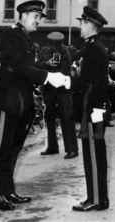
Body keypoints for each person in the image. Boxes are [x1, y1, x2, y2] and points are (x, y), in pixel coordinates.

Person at [0, 0, 68, 211]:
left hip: (22, 101)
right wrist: (47, 76)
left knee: (14, 148)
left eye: (40, 18)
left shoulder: (26, 39)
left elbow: (28, 68)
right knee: (2, 148)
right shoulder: (9, 35)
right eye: (36, 17)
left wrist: (49, 70)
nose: (38, 22)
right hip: (9, 101)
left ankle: (8, 190)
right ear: (23, 15)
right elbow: (18, 65)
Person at [70, 6, 109, 212]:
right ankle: (98, 197)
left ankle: (95, 198)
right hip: (95, 108)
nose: (80, 26)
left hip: (94, 108)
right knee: (95, 152)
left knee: (93, 153)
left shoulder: (94, 49)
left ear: (91, 25)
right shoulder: (93, 47)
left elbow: (91, 83)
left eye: (82, 23)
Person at [40, 31, 78, 159]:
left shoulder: (66, 51)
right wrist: (46, 64)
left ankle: (71, 149)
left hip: (62, 89)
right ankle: (52, 146)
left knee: (66, 118)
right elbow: (38, 66)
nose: (54, 46)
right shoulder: (44, 51)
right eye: (52, 44)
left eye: (56, 44)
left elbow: (66, 68)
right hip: (49, 89)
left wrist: (55, 66)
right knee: (49, 118)